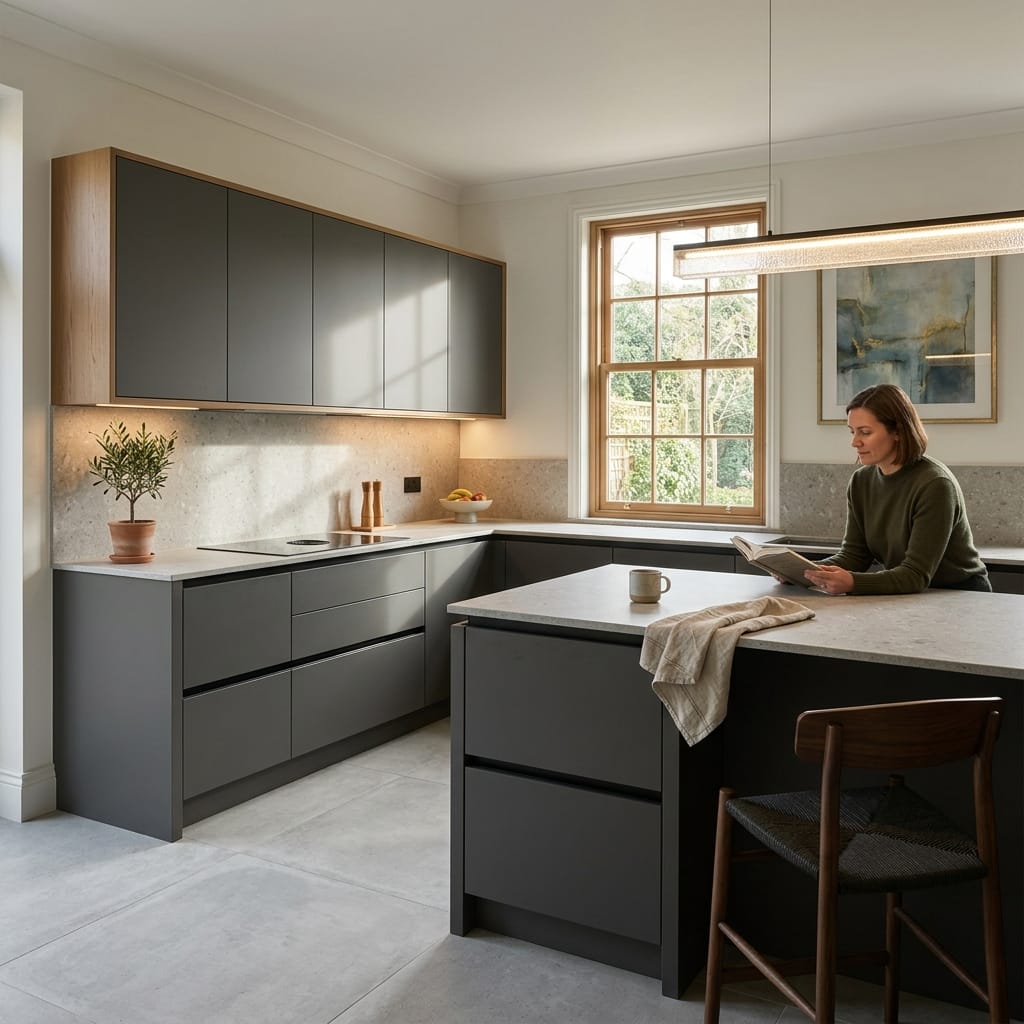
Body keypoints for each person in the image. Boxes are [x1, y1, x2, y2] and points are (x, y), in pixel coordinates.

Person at [802, 383, 991, 596]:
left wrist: (853, 583)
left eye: (865, 432)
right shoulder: (860, 481)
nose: (855, 442)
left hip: (963, 597)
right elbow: (855, 555)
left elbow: (915, 575)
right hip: (909, 596)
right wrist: (803, 571)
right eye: (852, 432)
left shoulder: (935, 484)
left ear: (898, 432)